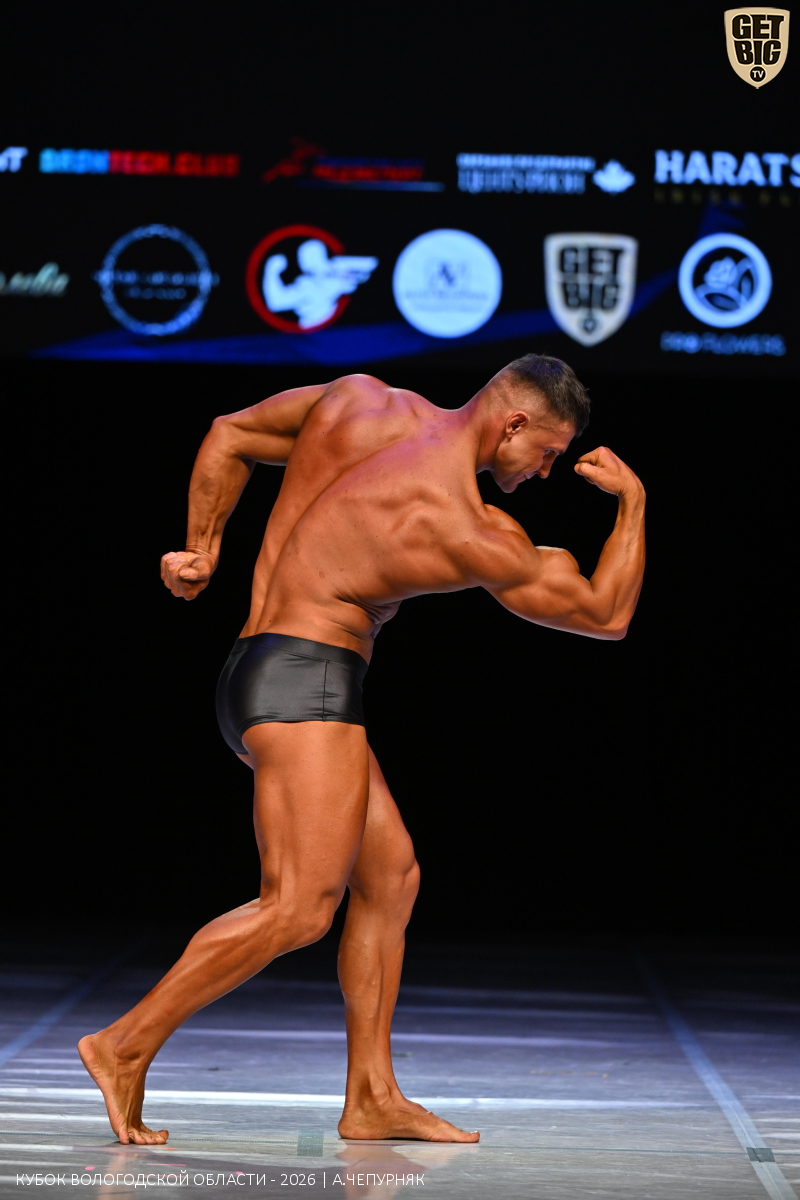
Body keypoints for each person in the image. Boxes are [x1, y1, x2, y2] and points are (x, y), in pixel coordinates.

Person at [78, 354, 646, 1146]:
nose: (546, 471)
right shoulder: (464, 526)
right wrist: (634, 502)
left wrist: (201, 549)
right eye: (547, 452)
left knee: (391, 876)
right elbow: (606, 614)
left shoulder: (362, 404)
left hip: (266, 667)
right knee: (298, 907)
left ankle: (372, 1096)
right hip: (305, 681)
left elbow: (229, 434)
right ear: (513, 422)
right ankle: (123, 1045)